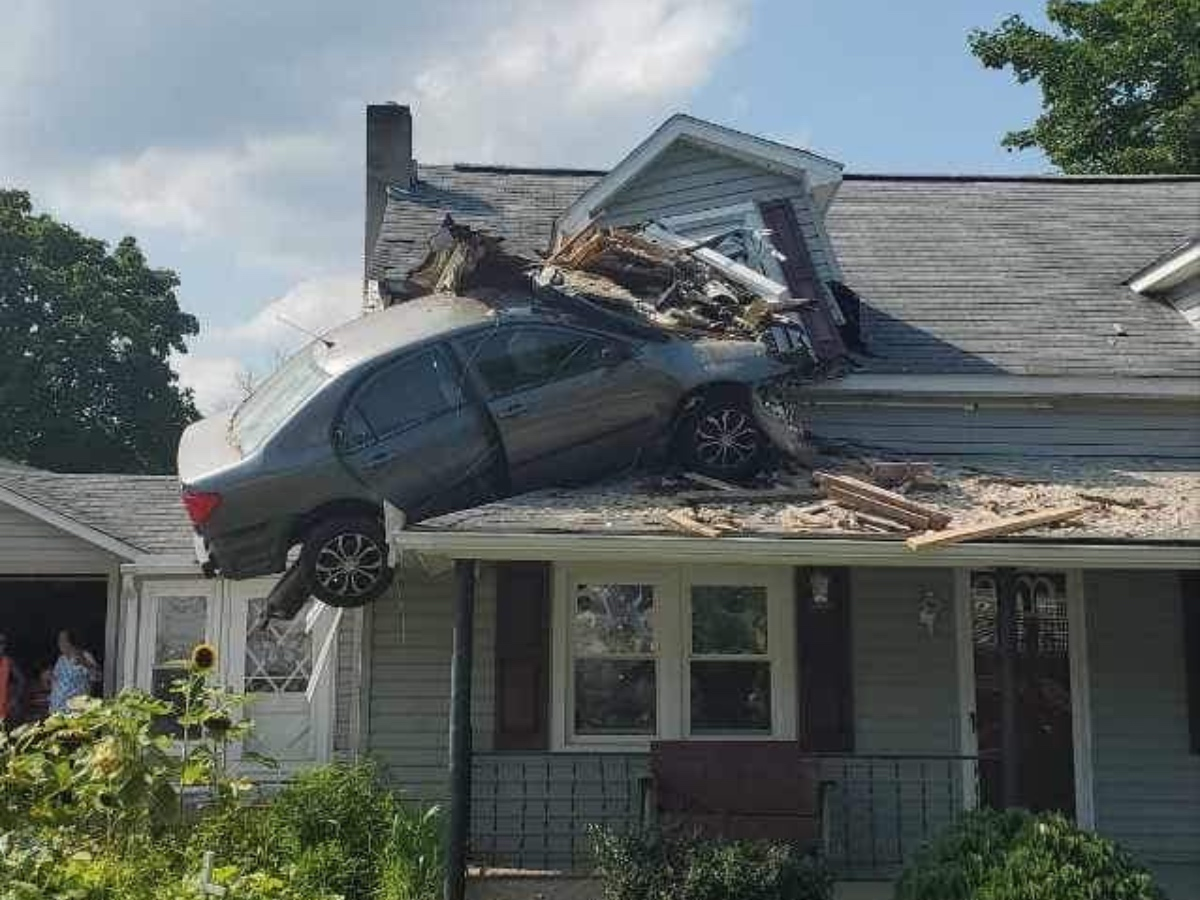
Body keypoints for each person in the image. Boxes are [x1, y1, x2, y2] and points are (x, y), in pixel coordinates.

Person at [48, 629, 100, 714]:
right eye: (59, 641)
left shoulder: (84, 656)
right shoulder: (61, 659)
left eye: (62, 640)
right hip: (57, 709)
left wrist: (84, 663)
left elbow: (98, 677)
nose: (59, 643)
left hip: (76, 711)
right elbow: (56, 681)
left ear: (70, 642)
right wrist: (50, 676)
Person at [0, 632, 28, 725]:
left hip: (4, 709)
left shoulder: (8, 661)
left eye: (3, 642)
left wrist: (15, 698)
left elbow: (22, 680)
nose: (1, 645)